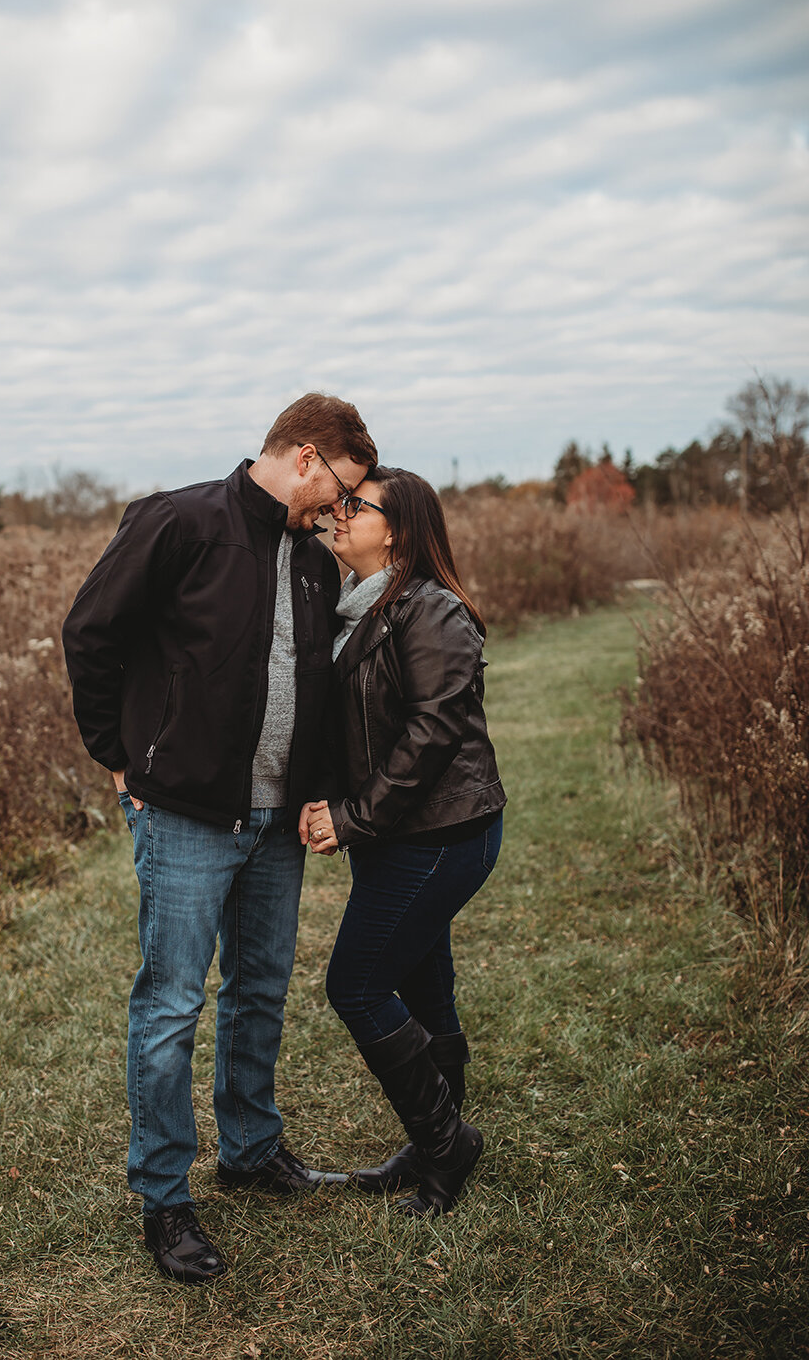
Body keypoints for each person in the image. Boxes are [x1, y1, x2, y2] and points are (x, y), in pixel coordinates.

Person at [62, 395, 377, 1283]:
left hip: (278, 822)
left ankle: (250, 1148)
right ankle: (166, 1199)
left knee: (261, 990)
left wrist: (320, 796)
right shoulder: (180, 522)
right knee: (171, 1006)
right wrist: (117, 757)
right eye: (341, 489)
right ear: (307, 457)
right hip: (186, 816)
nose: (341, 510)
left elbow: (311, 684)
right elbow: (91, 632)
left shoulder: (314, 560)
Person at [299, 466, 505, 1217]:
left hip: (444, 833)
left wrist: (352, 818)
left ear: (401, 529)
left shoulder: (433, 610)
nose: (340, 514)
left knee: (355, 985)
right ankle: (434, 1141)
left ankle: (448, 1144)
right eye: (341, 504)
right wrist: (323, 799)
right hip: (396, 834)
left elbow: (430, 735)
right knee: (423, 986)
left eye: (359, 506)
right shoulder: (353, 608)